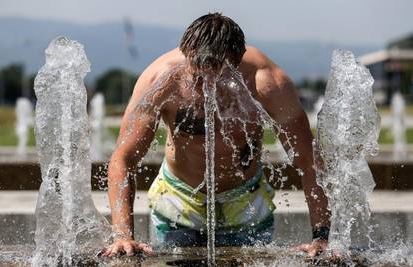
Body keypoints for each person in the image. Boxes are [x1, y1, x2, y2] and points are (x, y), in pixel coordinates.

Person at [102, 13, 330, 257]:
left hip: (246, 202)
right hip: (180, 200)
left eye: (218, 76)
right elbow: (122, 159)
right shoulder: (159, 81)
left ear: (236, 61)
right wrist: (123, 237)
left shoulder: (268, 83)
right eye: (197, 76)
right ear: (186, 53)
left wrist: (321, 237)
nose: (206, 87)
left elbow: (309, 161)